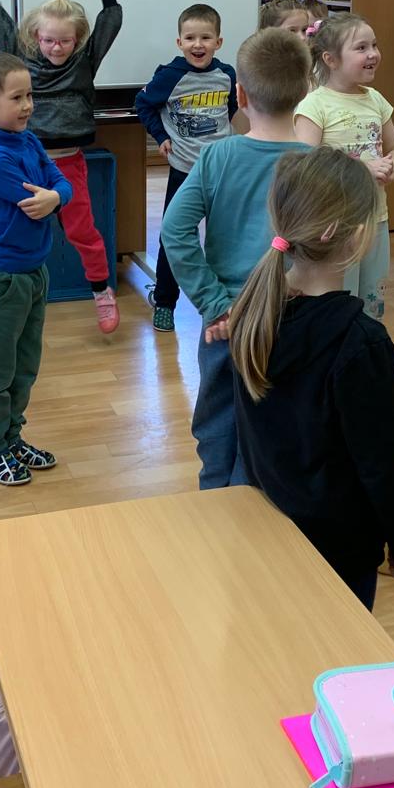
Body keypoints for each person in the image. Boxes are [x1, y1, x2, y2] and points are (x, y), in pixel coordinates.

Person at [230, 145, 394, 610]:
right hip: (339, 549)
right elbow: (383, 466)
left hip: (268, 528)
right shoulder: (362, 343)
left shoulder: (253, 312)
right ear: (357, 238)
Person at [161, 28, 310, 488]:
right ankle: (253, 510)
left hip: (225, 320)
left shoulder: (217, 156)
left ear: (239, 94)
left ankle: (216, 502)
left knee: (218, 423)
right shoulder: (316, 164)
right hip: (288, 319)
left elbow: (174, 231)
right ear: (306, 92)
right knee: (271, 423)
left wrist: (214, 303)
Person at [0, 0, 122, 333]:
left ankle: (101, 291)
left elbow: (112, 18)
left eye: (65, 40)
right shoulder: (19, 58)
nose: (56, 47)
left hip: (68, 162)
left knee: (82, 231)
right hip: (24, 161)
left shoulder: (85, 60)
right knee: (6, 229)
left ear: (78, 40)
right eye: (49, 40)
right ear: (36, 37)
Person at [0, 50, 72, 487]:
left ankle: (12, 438)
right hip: (0, 280)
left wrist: (56, 196)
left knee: (24, 367)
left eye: (29, 95)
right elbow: (36, 201)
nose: (28, 106)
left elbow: (58, 184)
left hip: (32, 272)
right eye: (17, 98)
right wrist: (54, 196)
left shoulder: (27, 140)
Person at [293, 13, 394, 320]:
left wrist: (392, 166)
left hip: (375, 218)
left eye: (374, 45)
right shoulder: (314, 105)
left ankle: (365, 343)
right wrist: (362, 170)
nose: (373, 54)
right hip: (335, 225)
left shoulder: (376, 100)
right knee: (339, 302)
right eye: (361, 48)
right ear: (330, 59)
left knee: (371, 300)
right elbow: (306, 165)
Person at [136, 4, 238, 333]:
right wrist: (161, 135)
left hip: (222, 169)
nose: (198, 44)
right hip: (184, 171)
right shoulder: (170, 76)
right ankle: (165, 301)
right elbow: (142, 104)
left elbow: (230, 110)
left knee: (224, 236)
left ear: (218, 42)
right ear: (179, 42)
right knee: (174, 235)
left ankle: (225, 301)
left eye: (205, 37)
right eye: (190, 38)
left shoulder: (227, 75)